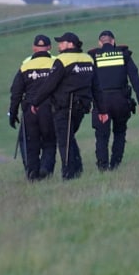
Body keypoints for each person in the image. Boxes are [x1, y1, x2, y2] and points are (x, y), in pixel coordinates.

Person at [28, 32, 107, 180]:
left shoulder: (62, 60)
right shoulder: (88, 59)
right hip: (82, 108)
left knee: (64, 141)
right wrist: (102, 110)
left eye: (61, 42)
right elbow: (96, 87)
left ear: (70, 44)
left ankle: (69, 174)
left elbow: (49, 85)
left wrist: (35, 101)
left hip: (64, 107)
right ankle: (78, 168)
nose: (59, 46)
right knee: (69, 137)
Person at [89, 30, 139, 170]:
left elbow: (88, 81)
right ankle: (115, 164)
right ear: (113, 41)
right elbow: (134, 78)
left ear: (100, 43)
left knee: (102, 136)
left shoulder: (93, 57)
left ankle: (103, 167)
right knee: (119, 132)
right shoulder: (124, 54)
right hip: (121, 100)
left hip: (101, 101)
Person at [9, 34, 57, 180]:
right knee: (50, 142)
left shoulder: (25, 66)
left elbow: (16, 92)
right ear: (49, 48)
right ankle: (45, 169)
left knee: (31, 143)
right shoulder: (56, 64)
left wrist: (13, 113)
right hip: (50, 109)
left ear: (34, 48)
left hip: (30, 110)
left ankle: (32, 173)